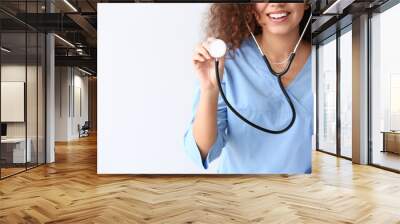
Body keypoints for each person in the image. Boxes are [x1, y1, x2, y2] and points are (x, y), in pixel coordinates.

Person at [183, 3, 313, 174]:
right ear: (250, 5)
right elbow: (203, 150)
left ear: (306, 2)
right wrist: (210, 89)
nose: (276, 3)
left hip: (300, 196)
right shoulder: (225, 61)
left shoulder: (330, 57)